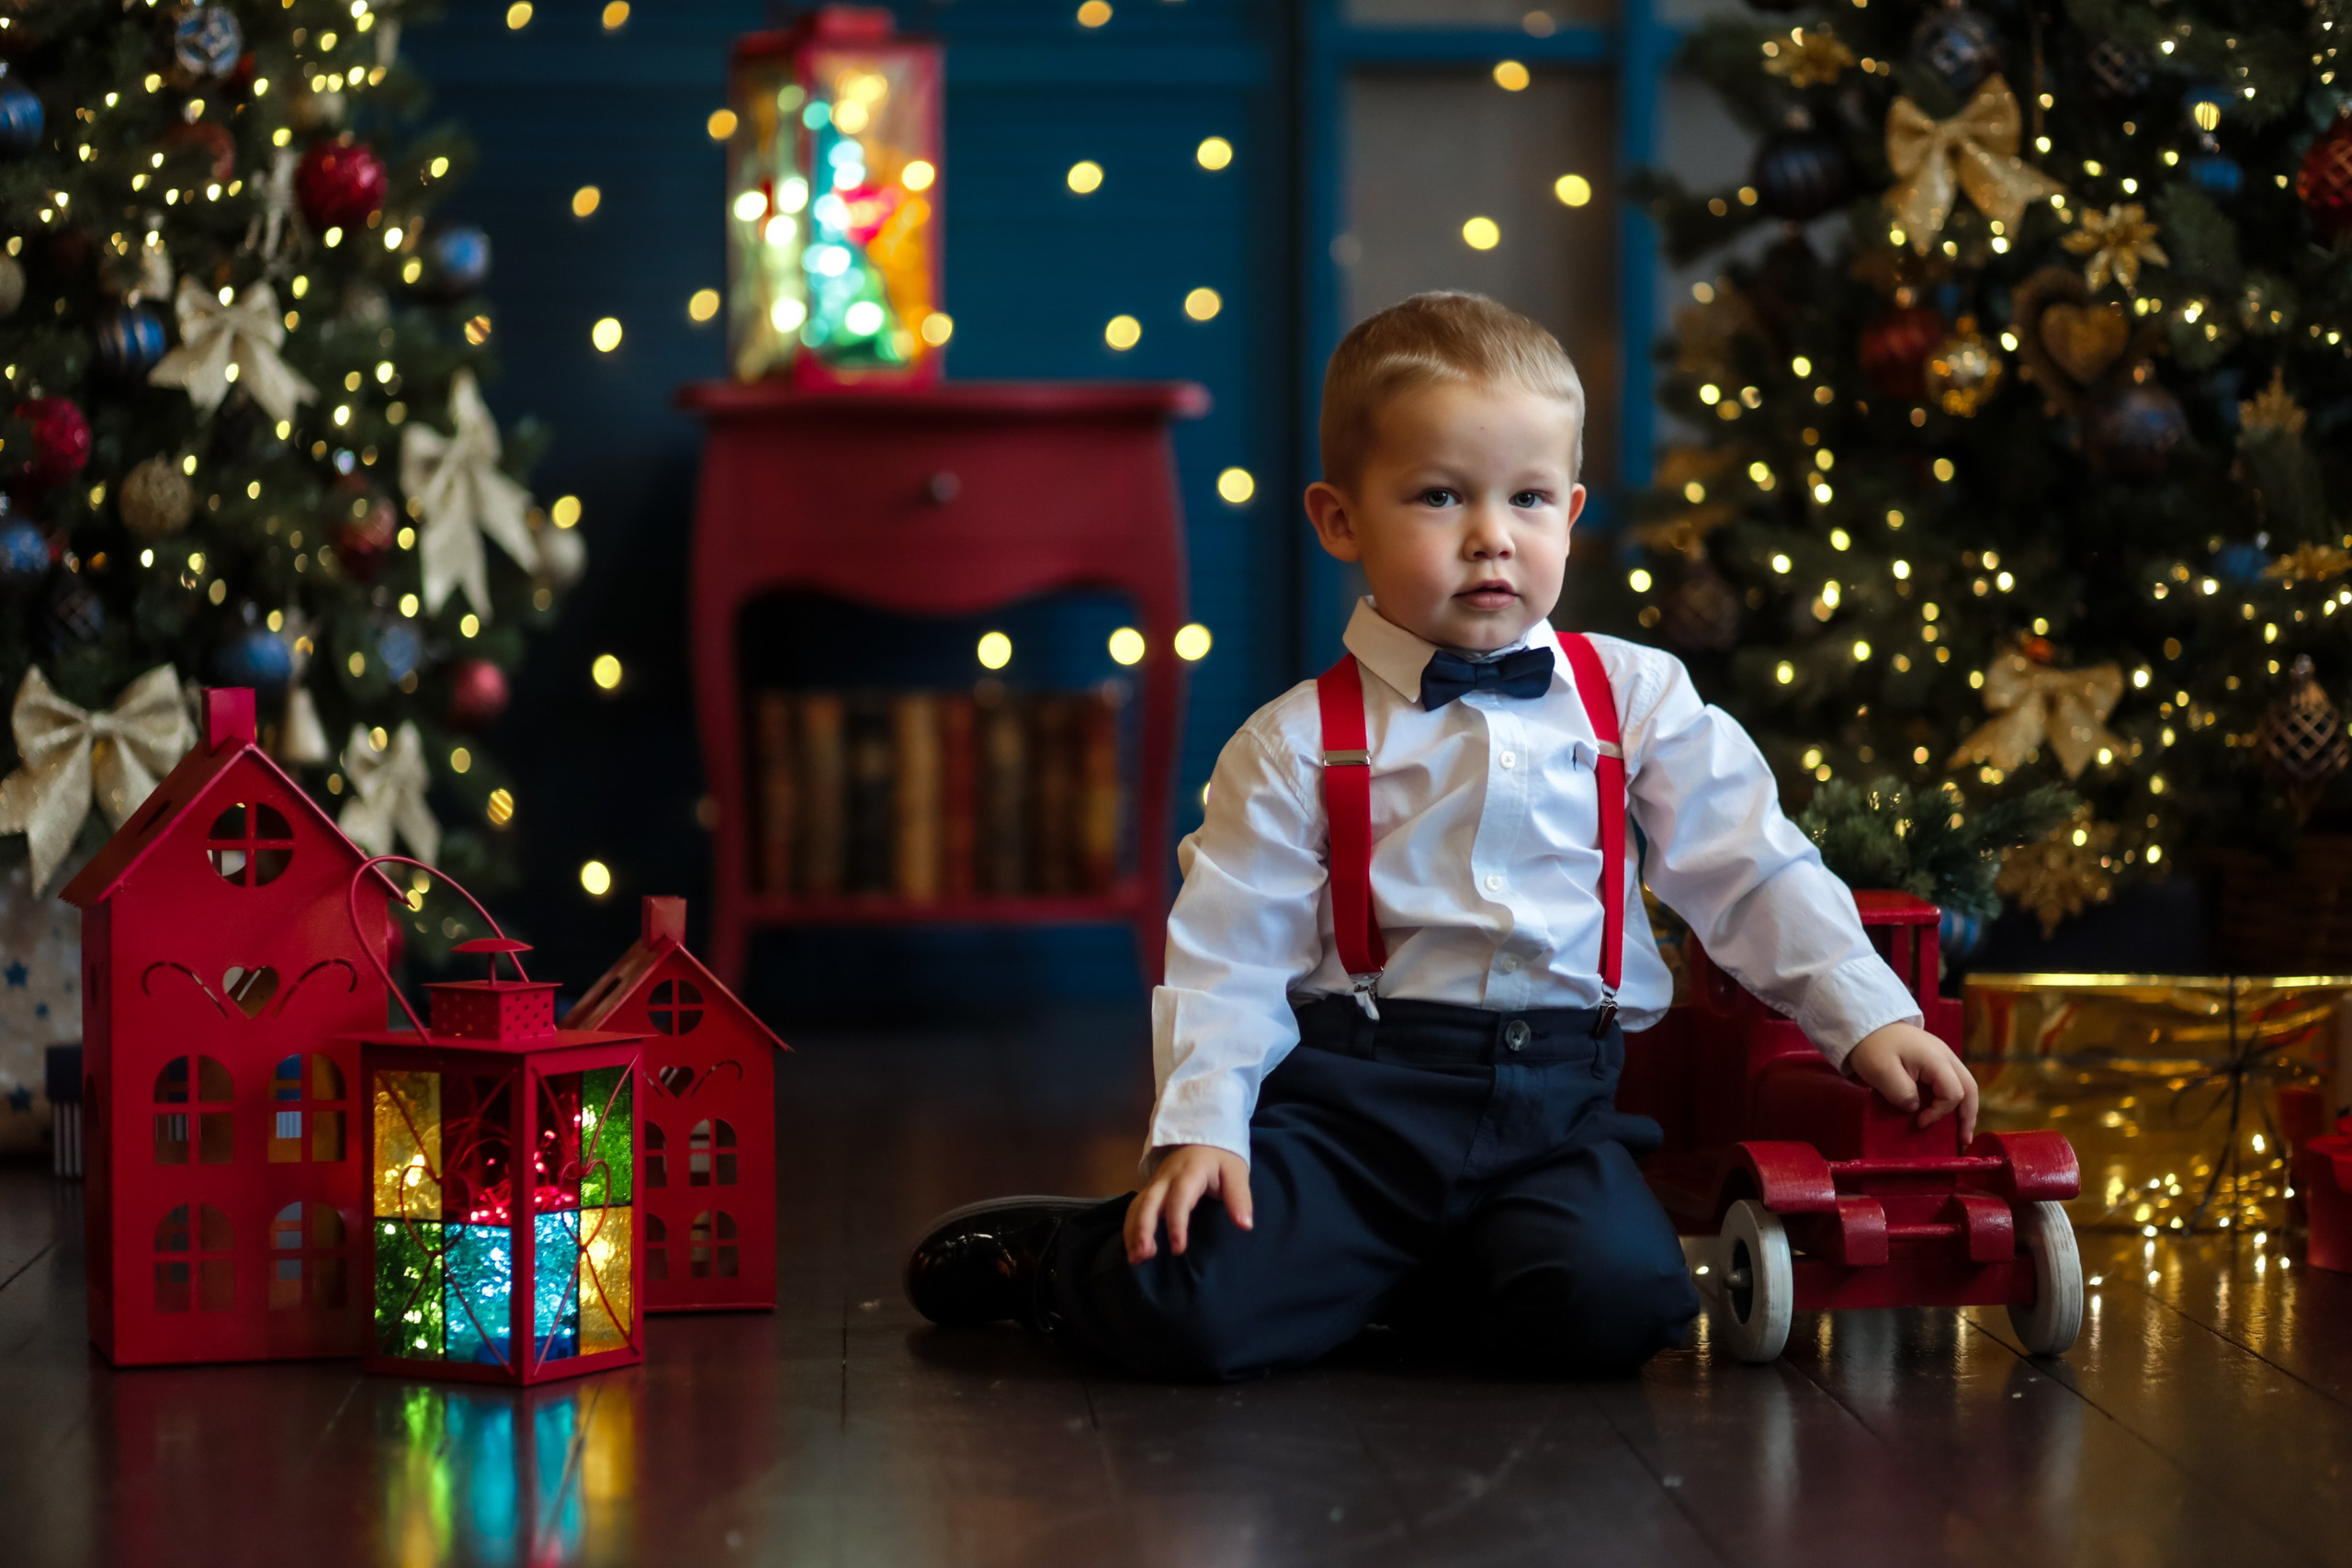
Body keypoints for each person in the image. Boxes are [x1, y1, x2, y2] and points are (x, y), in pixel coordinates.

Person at [903, 291, 1977, 1381]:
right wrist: (1203, 1126)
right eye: (1436, 497)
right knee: (1193, 1310)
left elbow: (1749, 868)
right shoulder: (1292, 744)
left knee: (1618, 1304)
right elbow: (1231, 956)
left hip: (1555, 1116)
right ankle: (1055, 1262)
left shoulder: (1640, 698)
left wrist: (1864, 1017)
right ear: (1339, 520)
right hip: (1353, 1112)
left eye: (1527, 499)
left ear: (1571, 510)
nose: (1489, 538)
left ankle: (1387, 1282)